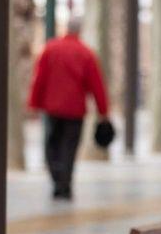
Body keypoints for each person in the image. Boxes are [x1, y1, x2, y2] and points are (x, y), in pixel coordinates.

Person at [27, 18, 109, 200]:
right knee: (69, 147)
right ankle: (65, 183)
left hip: (52, 107)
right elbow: (97, 85)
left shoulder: (50, 49)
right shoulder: (86, 53)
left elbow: (39, 79)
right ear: (80, 31)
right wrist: (103, 111)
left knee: (52, 144)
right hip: (75, 109)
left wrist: (33, 104)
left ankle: (57, 180)